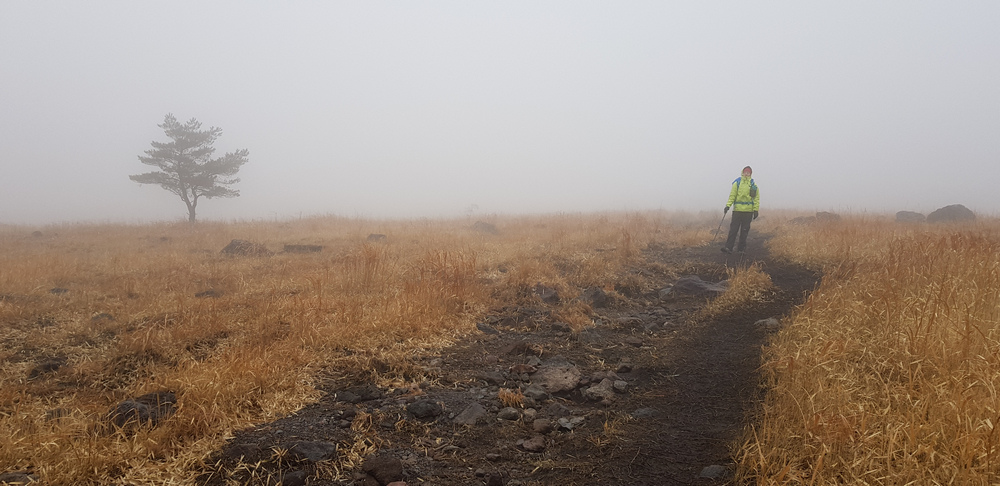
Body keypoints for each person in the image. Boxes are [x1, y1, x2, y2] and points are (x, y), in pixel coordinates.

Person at [721, 166, 760, 254]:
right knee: (733, 229)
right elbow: (732, 195)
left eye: (748, 173)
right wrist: (728, 206)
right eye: (745, 172)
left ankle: (741, 249)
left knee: (744, 231)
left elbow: (756, 198)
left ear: (750, 174)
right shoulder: (737, 183)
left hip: (748, 212)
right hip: (737, 211)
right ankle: (728, 248)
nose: (746, 174)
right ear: (742, 173)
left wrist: (755, 210)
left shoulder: (754, 185)